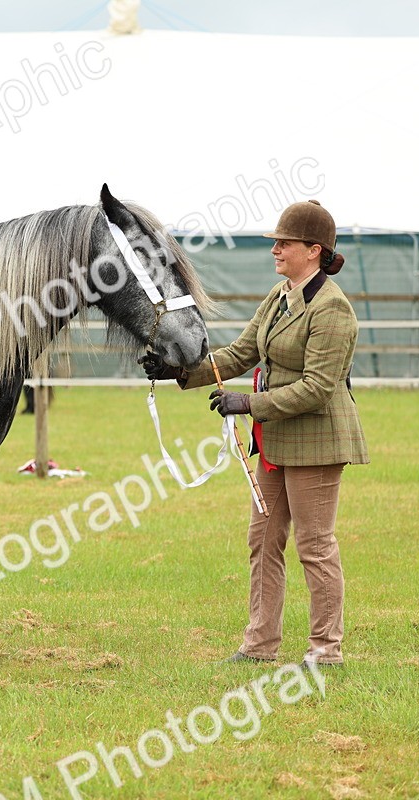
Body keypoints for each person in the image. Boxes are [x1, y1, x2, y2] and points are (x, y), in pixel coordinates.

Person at [141, 200, 369, 667]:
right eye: (276, 243)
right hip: (273, 440)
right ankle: (260, 644)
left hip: (317, 440)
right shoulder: (279, 295)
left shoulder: (333, 310)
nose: (276, 250)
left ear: (314, 250)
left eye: (285, 243)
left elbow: (317, 388)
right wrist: (178, 371)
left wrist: (248, 403)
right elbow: (241, 353)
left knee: (314, 545)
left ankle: (326, 650)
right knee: (263, 539)